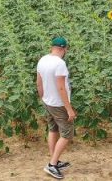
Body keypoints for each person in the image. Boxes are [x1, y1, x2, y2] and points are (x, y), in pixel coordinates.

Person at [36, 37, 74, 179]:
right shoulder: (60, 64)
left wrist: (43, 99)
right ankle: (52, 165)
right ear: (63, 49)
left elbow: (38, 83)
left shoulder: (43, 60)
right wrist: (69, 109)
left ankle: (55, 160)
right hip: (59, 104)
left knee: (53, 129)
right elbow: (61, 88)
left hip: (48, 101)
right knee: (67, 134)